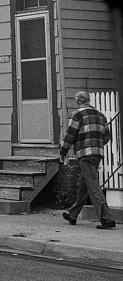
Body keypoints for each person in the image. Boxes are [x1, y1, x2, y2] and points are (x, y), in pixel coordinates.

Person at [59, 90, 116, 230]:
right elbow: (107, 136)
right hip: (97, 154)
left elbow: (70, 135)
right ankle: (73, 215)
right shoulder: (100, 115)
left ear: (78, 101)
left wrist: (63, 151)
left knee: (92, 186)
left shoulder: (77, 114)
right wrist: (97, 145)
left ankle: (107, 219)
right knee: (84, 184)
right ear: (88, 100)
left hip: (85, 154)